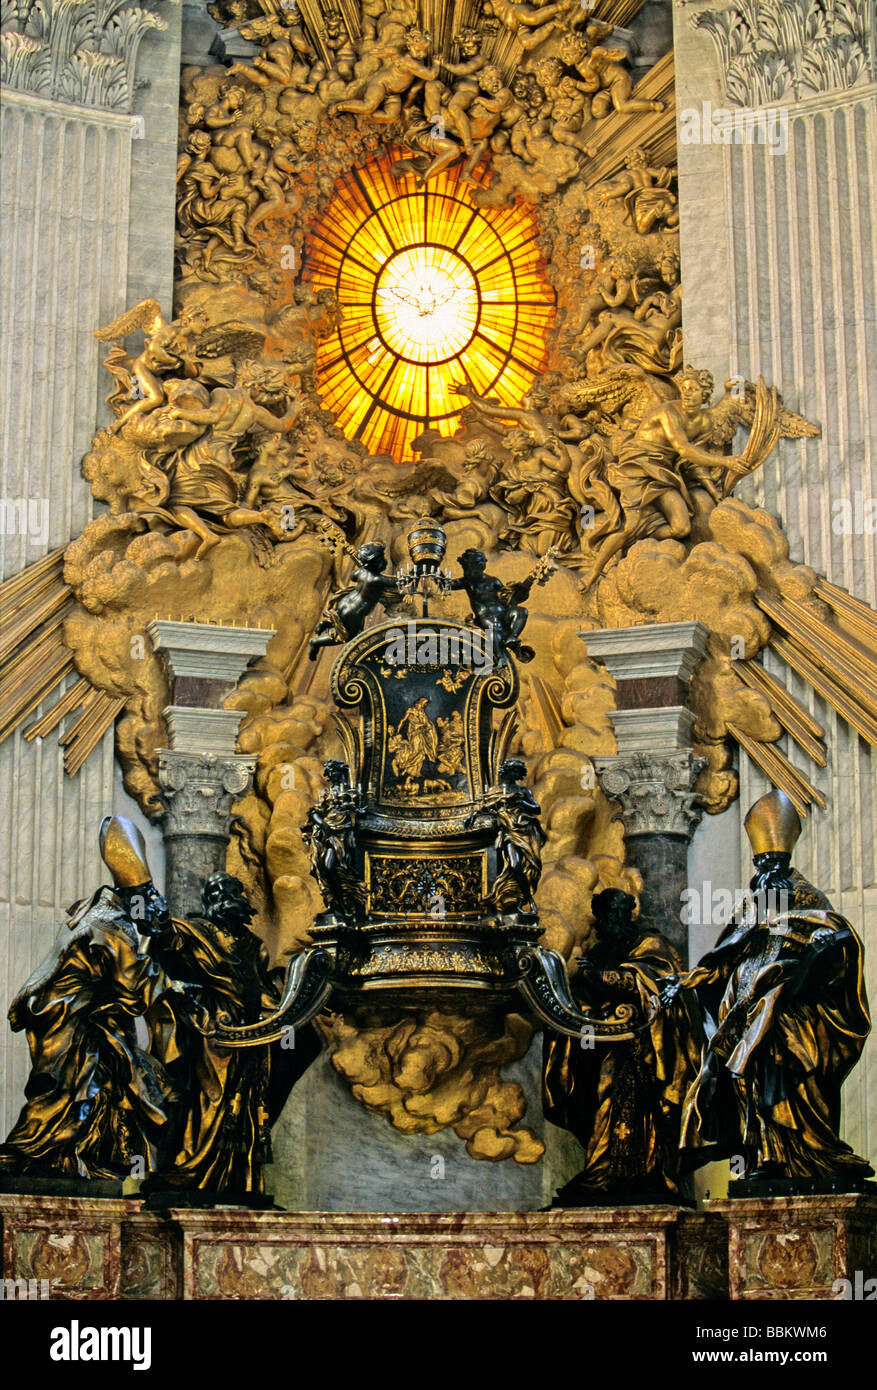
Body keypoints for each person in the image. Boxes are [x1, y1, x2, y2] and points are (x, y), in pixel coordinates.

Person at [669, 790, 872, 1185]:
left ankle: (811, 1154)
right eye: (762, 862)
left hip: (794, 1017)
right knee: (744, 1077)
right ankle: (765, 1154)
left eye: (774, 863)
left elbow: (836, 942)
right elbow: (723, 957)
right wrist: (687, 983)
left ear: (787, 864)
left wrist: (794, 972)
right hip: (745, 1016)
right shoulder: (752, 906)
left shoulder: (806, 898)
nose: (766, 870)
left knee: (785, 1065)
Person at [543, 888, 704, 1204]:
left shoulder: (650, 944)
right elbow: (581, 999)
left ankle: (648, 1173)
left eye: (619, 913)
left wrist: (606, 978)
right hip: (603, 1046)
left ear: (629, 914)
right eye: (606, 915)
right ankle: (604, 1172)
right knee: (601, 1098)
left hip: (646, 1049)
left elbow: (657, 981)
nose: (613, 921)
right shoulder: (598, 953)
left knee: (633, 1103)